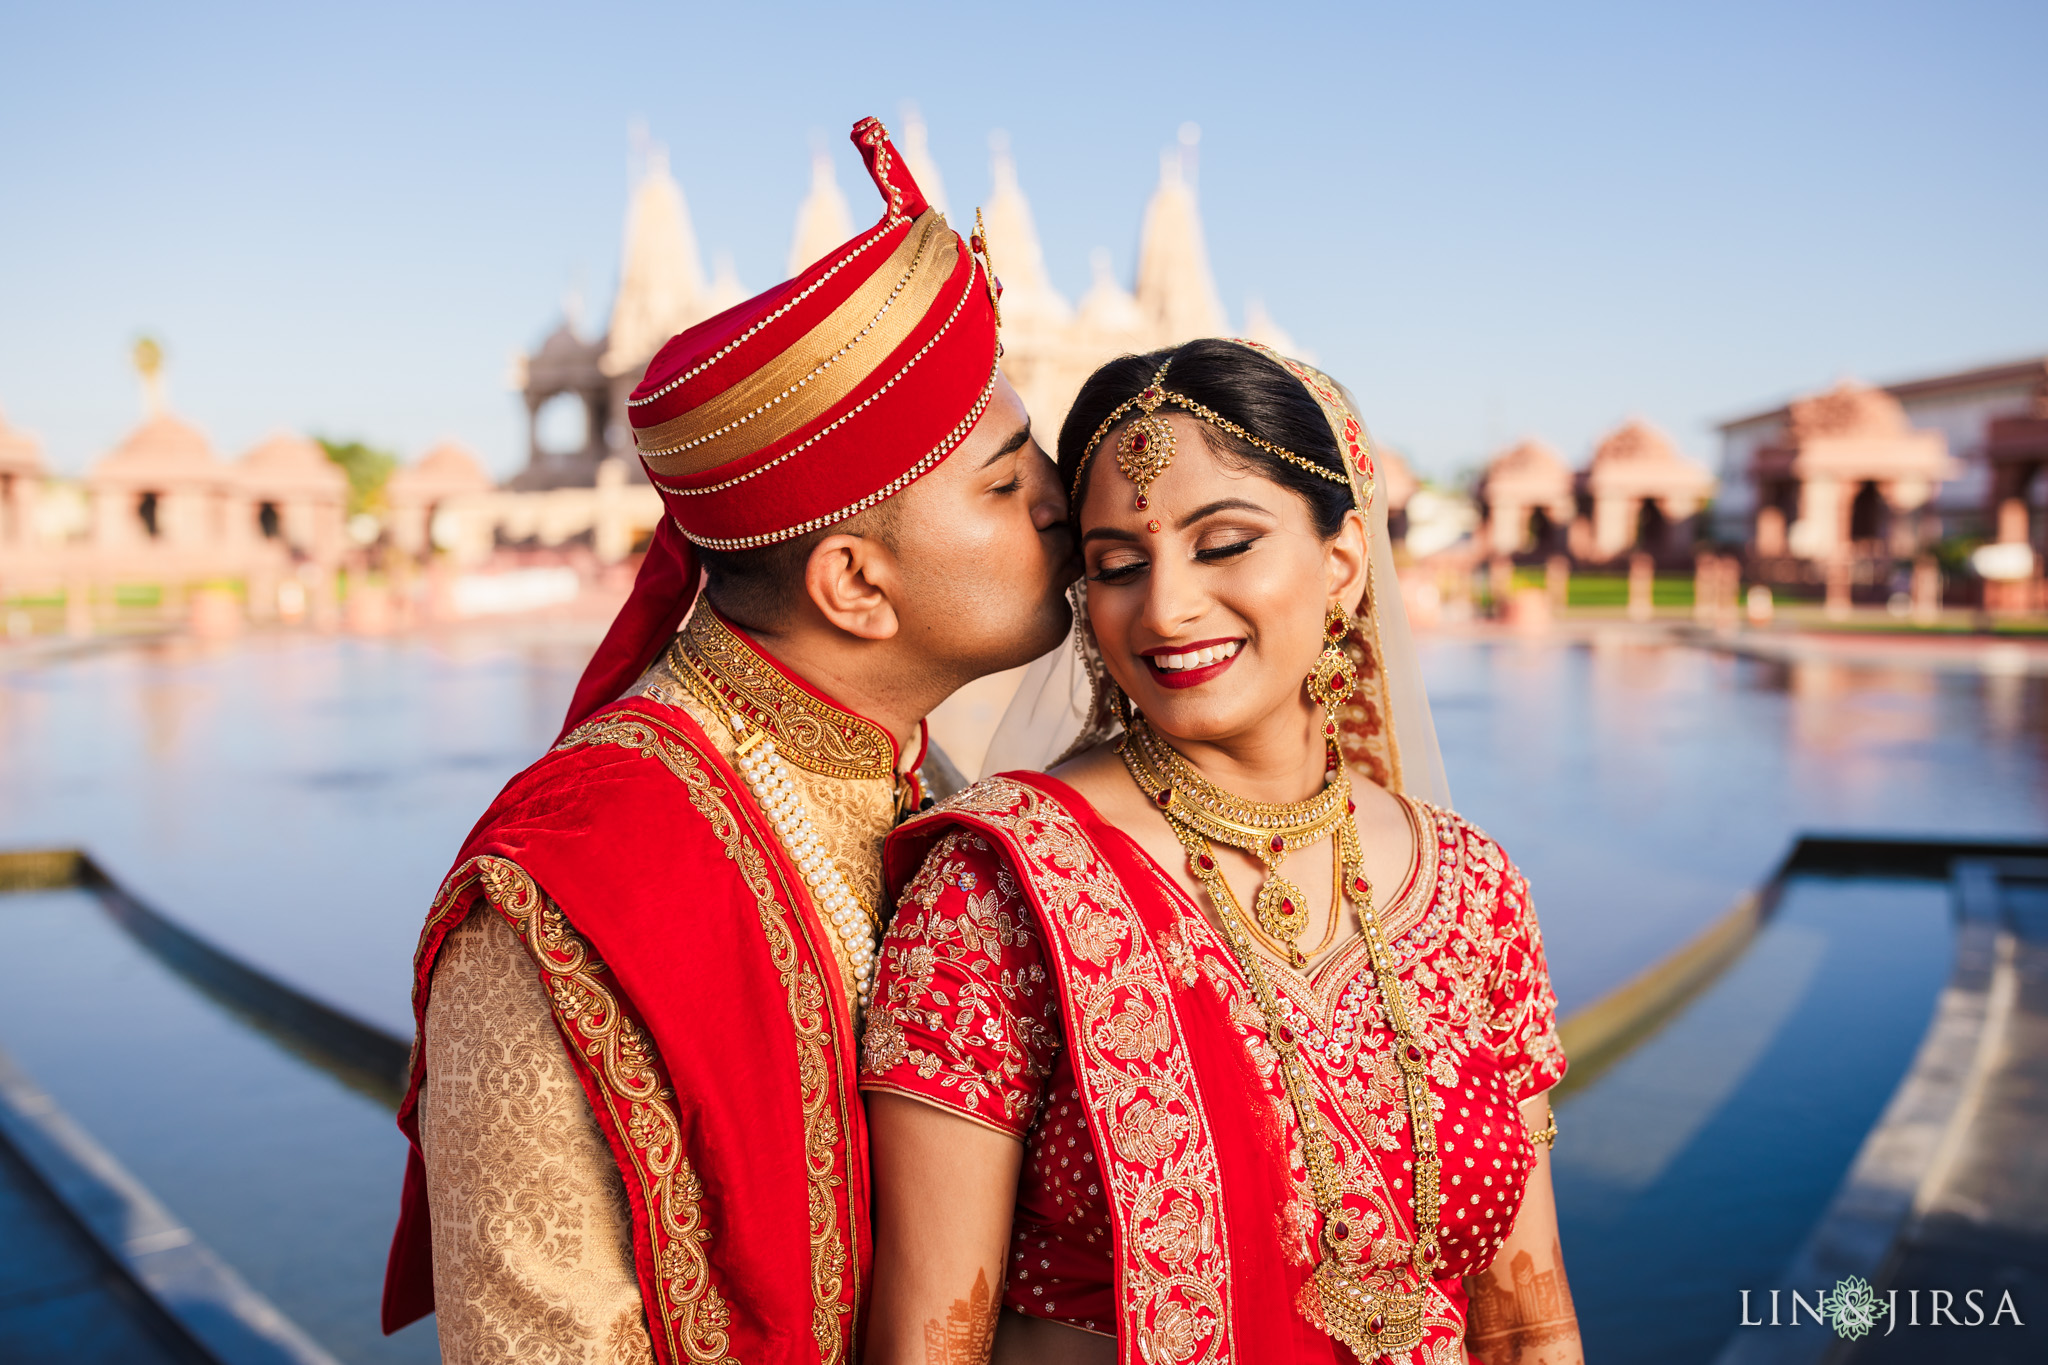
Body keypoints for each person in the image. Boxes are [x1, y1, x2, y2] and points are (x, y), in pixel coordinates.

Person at [380, 117, 1077, 1365]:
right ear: (856, 588)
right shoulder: (568, 893)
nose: (1058, 503)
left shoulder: (925, 779)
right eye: (1004, 480)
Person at [860, 338, 1581, 1365]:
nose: (1164, 608)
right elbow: (931, 1344)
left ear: (1339, 564)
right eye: (1116, 565)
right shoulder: (1001, 885)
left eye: (1224, 543)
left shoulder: (1471, 891)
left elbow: (1526, 1319)